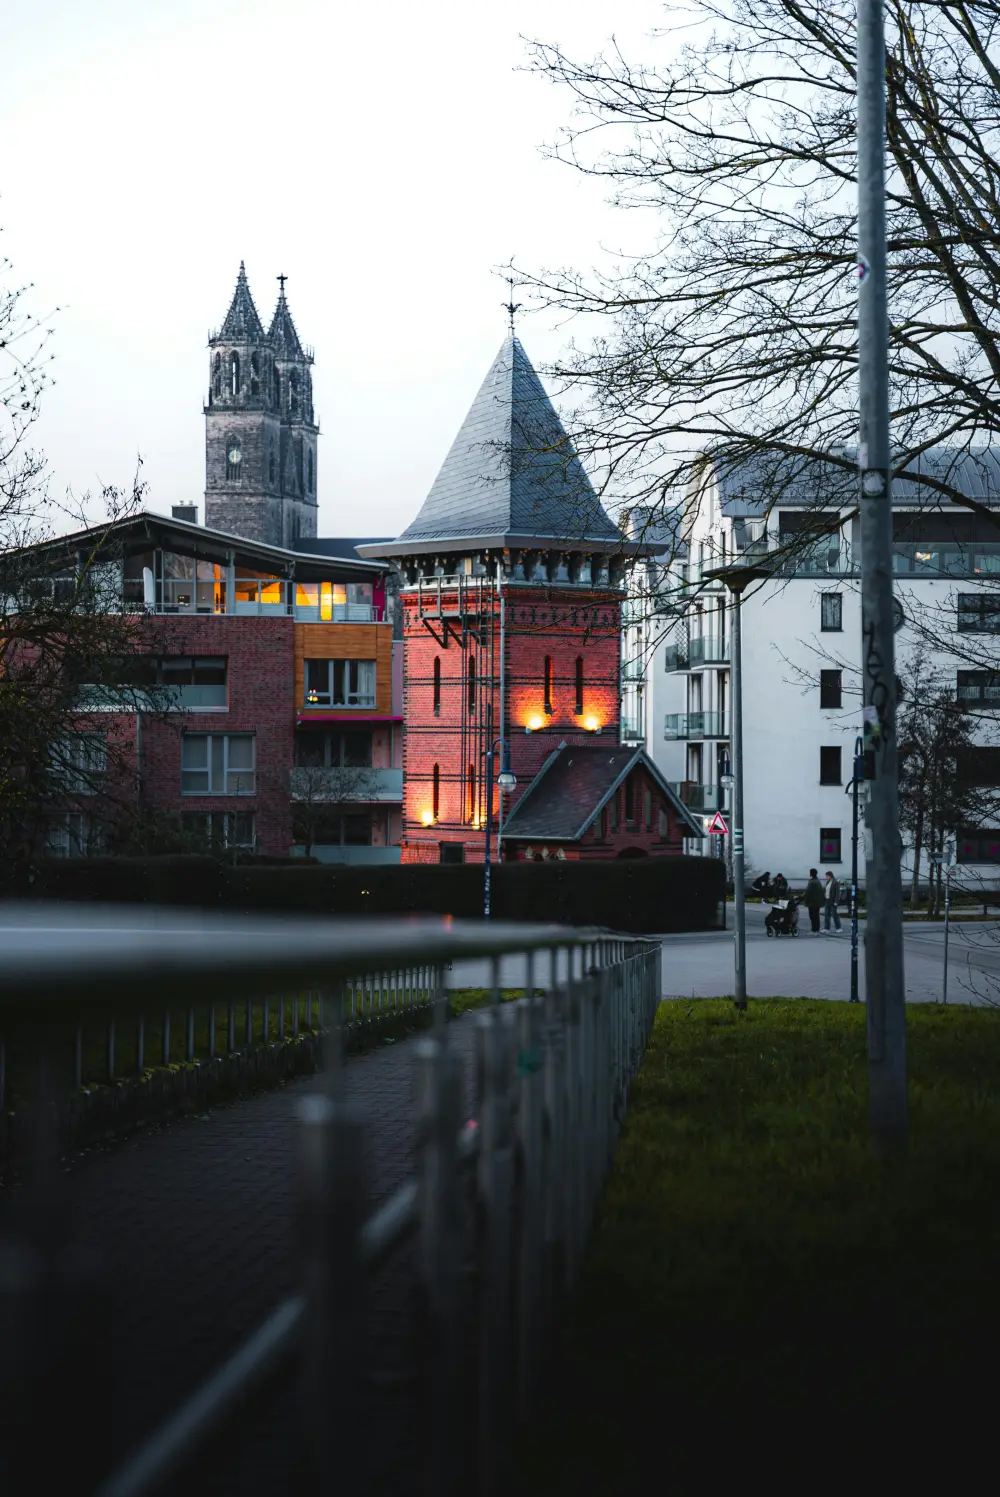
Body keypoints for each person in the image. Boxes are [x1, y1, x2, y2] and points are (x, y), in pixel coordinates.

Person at [803, 868, 824, 934]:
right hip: (817, 902)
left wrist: (800, 897)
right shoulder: (817, 881)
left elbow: (807, 892)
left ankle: (814, 930)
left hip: (812, 902)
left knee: (813, 916)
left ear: (811, 873)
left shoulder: (812, 882)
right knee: (816, 916)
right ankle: (816, 930)